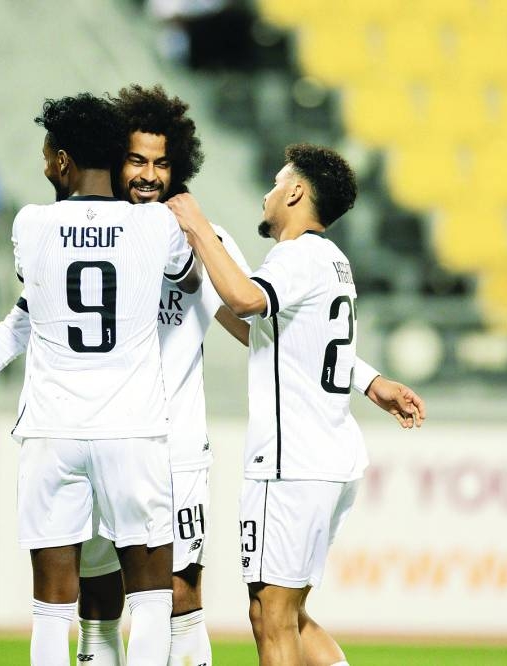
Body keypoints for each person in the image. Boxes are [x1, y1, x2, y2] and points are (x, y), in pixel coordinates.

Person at [0, 86, 425, 666]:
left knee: (180, 594)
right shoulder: (86, 236)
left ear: (179, 166)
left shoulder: (203, 242)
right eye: (136, 160)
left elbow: (268, 331)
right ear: (114, 160)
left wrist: (366, 379)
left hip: (175, 450)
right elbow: (21, 323)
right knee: (98, 594)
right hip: (101, 435)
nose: (148, 174)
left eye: (162, 163)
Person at [168, 144, 423, 666]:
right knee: (285, 614)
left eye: (275, 182)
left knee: (272, 613)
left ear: (295, 191)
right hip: (329, 458)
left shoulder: (296, 256)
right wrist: (373, 382)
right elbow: (264, 333)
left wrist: (195, 224)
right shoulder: (332, 261)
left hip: (290, 467)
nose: (266, 193)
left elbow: (246, 300)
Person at [11, 92, 199, 666]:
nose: (45, 164)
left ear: (63, 161)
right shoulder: (154, 225)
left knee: (50, 604)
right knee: (149, 596)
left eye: (48, 154)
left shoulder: (31, 223)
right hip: (132, 428)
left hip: (51, 428)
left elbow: (28, 306)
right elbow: (189, 282)